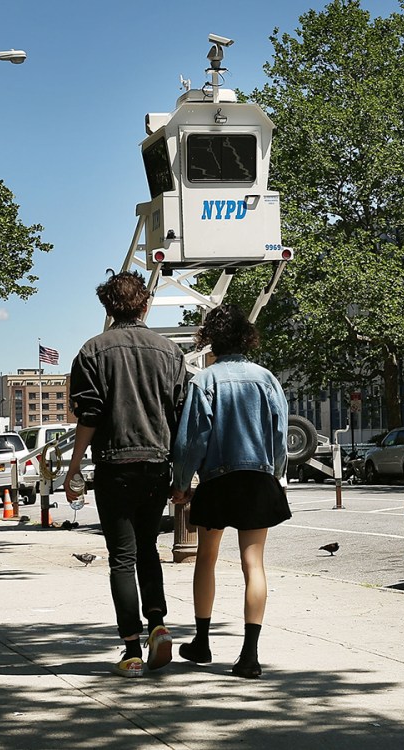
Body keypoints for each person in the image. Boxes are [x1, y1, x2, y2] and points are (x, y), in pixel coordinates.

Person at [65, 271, 189, 678]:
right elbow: (183, 414)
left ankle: (132, 649)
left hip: (114, 466)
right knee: (149, 548)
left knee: (122, 557)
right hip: (157, 465)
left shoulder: (91, 352)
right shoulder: (170, 352)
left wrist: (74, 468)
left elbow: (90, 413)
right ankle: (158, 625)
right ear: (145, 305)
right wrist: (184, 472)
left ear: (107, 307)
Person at [170, 303, 290, 679]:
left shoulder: (204, 382)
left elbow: (192, 439)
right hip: (257, 478)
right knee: (253, 564)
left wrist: (180, 483)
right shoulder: (266, 378)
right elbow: (281, 434)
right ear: (246, 337)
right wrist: (276, 473)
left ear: (210, 340)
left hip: (217, 481)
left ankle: (202, 642)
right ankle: (250, 655)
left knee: (206, 558)